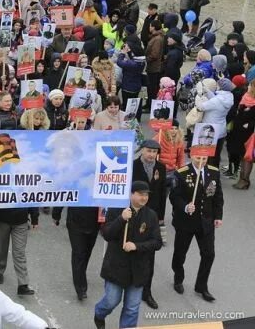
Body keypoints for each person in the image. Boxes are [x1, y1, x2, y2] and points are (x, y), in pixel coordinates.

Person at [93, 181, 162, 329]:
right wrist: (121, 219)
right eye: (140, 194)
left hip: (138, 271)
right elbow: (106, 234)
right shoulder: (117, 210)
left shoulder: (151, 215)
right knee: (111, 301)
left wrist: (136, 246)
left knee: (132, 308)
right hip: (116, 267)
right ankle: (99, 313)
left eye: (146, 195)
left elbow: (157, 242)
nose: (144, 198)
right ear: (131, 194)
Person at [170, 152, 223, 302]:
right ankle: (178, 278)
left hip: (206, 221)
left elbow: (218, 196)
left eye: (204, 158)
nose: (201, 161)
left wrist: (218, 216)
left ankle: (202, 286)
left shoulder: (213, 172)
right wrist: (185, 207)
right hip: (186, 222)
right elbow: (174, 196)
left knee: (209, 254)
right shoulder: (181, 173)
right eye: (198, 158)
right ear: (192, 156)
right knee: (180, 253)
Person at [132, 140, 167, 309]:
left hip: (152, 216)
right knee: (131, 251)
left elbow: (161, 194)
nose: (151, 154)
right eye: (148, 151)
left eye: (154, 151)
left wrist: (160, 217)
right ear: (142, 151)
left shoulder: (161, 167)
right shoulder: (132, 166)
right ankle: (130, 287)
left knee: (149, 256)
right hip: (134, 214)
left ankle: (147, 292)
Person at [0, 207, 38, 296]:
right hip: (2, 220)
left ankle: (23, 284)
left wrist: (34, 218)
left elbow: (32, 197)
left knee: (19, 253)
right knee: (0, 249)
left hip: (21, 221)